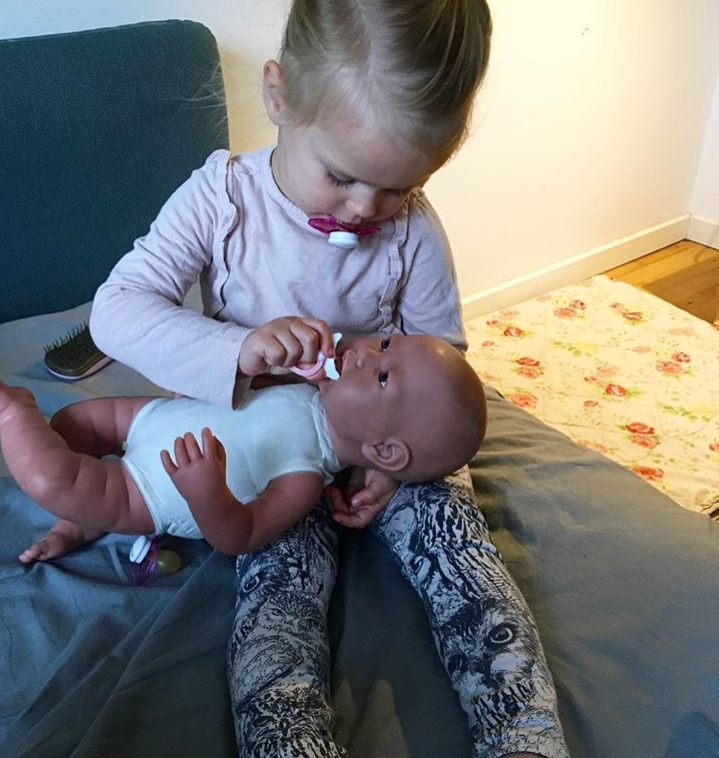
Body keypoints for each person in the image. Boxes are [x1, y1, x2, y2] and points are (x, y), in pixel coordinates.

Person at [88, 1, 570, 756]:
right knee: (277, 609)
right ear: (279, 97)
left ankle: (525, 735)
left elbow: (438, 358)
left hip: (382, 442)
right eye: (342, 176)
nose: (365, 211)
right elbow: (115, 312)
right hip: (270, 449)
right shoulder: (223, 199)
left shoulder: (413, 229)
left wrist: (396, 467)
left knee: (463, 560)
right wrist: (241, 346)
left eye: (399, 188)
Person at [0, 334, 487, 560]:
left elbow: (240, 536)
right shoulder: (308, 387)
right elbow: (246, 378)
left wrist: (206, 492)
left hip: (146, 488)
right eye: (386, 343)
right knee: (73, 423)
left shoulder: (305, 475)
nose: (365, 351)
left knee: (52, 479)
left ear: (385, 453)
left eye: (381, 375)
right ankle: (82, 520)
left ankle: (12, 409)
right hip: (146, 420)